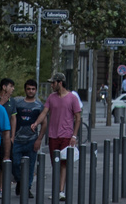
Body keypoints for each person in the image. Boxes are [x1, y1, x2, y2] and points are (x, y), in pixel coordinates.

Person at [33, 72, 82, 202]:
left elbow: (78, 118)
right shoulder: (51, 97)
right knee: (55, 163)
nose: (52, 85)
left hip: (66, 135)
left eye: (53, 83)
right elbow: (44, 112)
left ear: (60, 83)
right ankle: (57, 189)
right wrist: (36, 123)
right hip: (53, 135)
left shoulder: (72, 98)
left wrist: (74, 136)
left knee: (63, 164)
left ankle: (60, 190)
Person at [8, 79, 44, 199]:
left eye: (33, 89)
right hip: (18, 140)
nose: (30, 91)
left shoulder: (39, 106)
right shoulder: (18, 104)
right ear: (25, 89)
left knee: (30, 166)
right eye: (28, 89)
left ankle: (27, 188)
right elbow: (12, 120)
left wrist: (39, 139)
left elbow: (44, 123)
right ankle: (19, 181)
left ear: (36, 90)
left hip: (32, 140)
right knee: (15, 164)